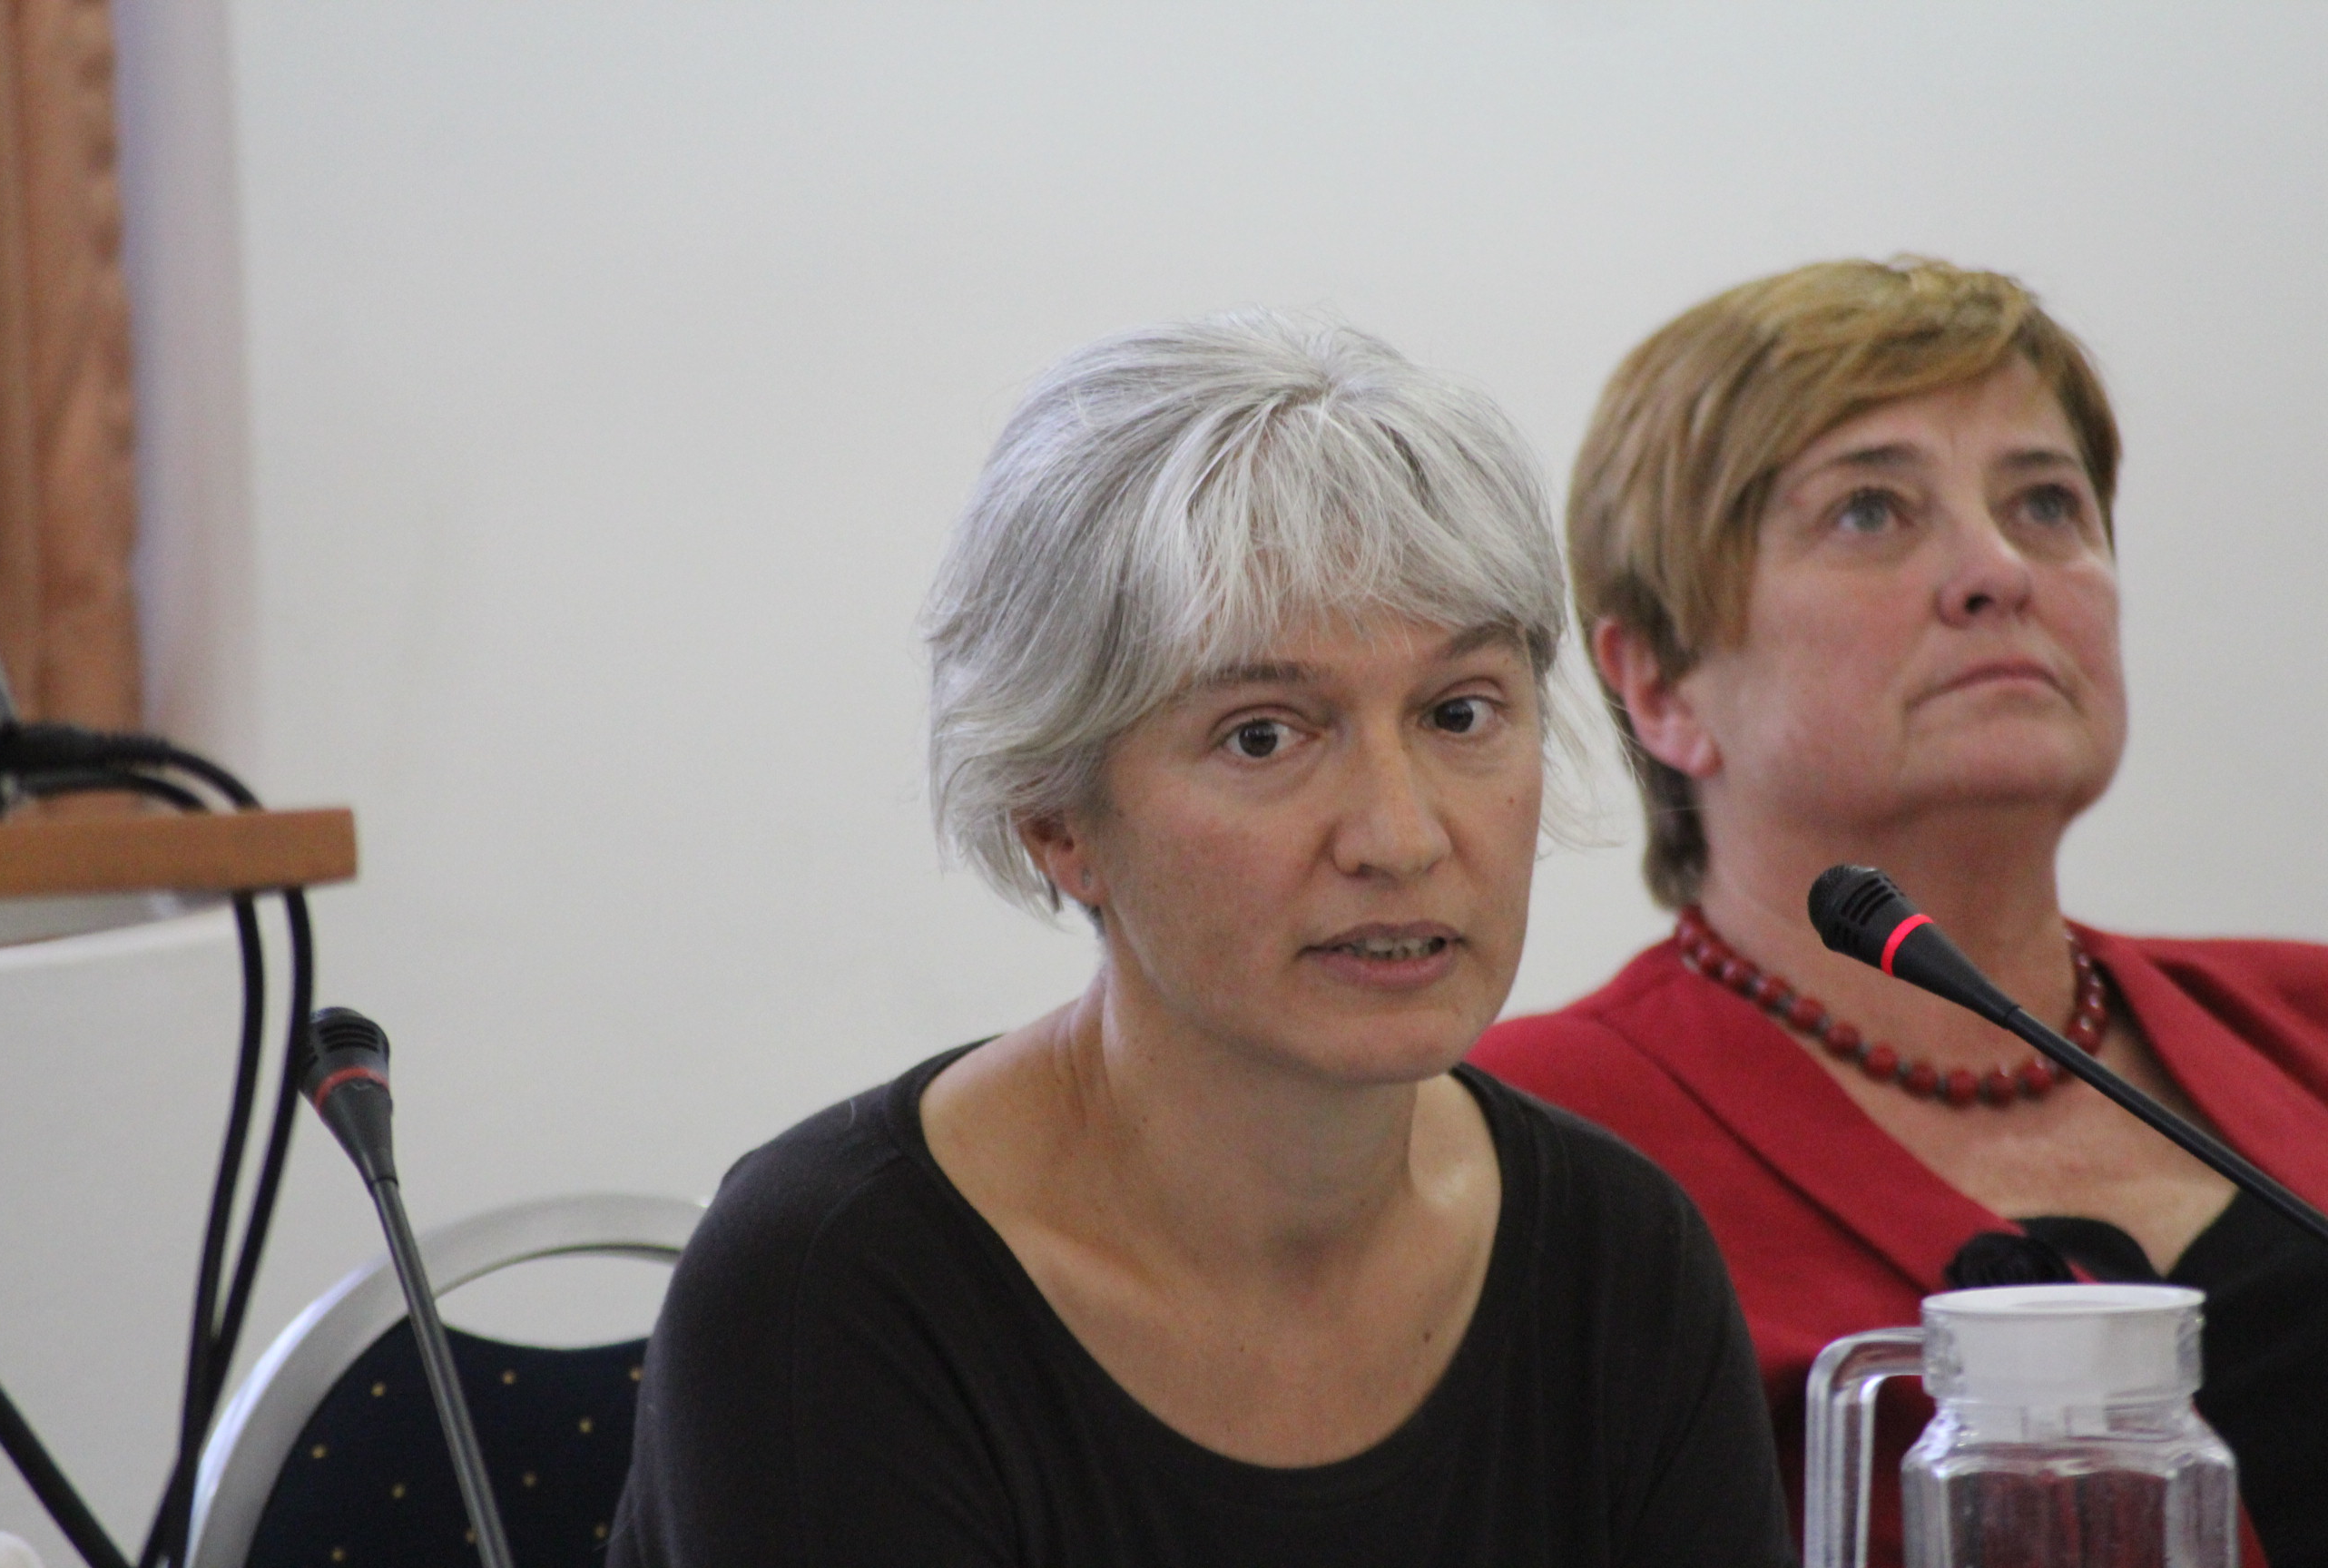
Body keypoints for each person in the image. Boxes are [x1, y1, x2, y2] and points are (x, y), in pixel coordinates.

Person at [608, 311, 1793, 1566]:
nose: (1400, 837)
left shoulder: (1620, 1256)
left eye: (1459, 713)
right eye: (1263, 736)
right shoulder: (832, 1285)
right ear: (1057, 818)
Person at [1470, 258, 2328, 1568]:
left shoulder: (2307, 1017)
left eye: (2047, 502)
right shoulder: (1518, 1145)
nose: (1999, 571)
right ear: (1658, 686)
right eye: (1870, 510)